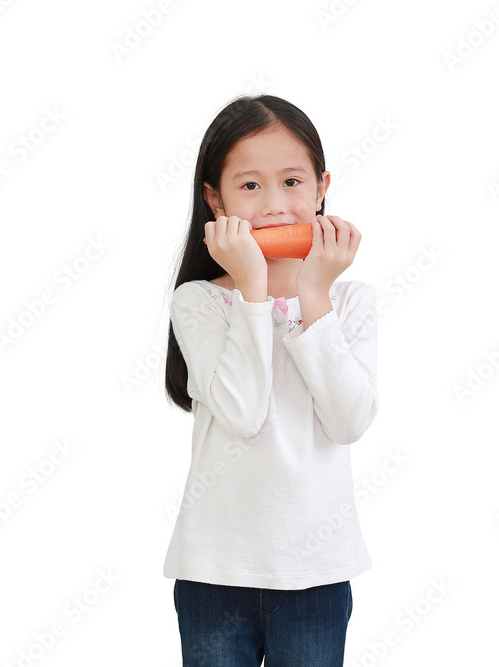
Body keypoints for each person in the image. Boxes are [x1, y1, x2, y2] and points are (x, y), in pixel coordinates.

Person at [163, 93, 380, 666]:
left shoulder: (350, 301)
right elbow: (242, 412)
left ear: (321, 188)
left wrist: (314, 296)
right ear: (216, 199)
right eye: (250, 186)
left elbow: (349, 421)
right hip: (215, 569)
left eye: (291, 181)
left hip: (317, 573)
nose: (275, 204)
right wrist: (252, 289)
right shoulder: (199, 301)